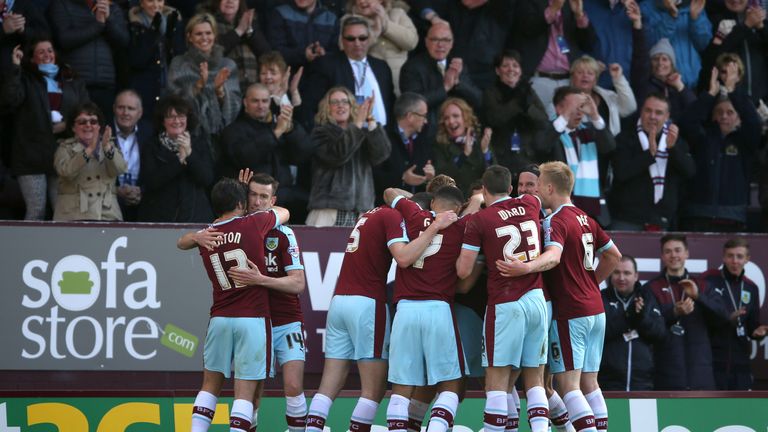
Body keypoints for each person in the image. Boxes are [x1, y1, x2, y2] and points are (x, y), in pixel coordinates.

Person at [304, 196, 456, 432]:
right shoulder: (393, 216)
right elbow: (403, 257)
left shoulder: (369, 214)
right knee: (373, 391)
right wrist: (434, 226)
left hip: (339, 302)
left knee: (329, 384)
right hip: (367, 303)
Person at [497, 160, 621, 432]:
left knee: (568, 386)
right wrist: (591, 283)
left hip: (571, 312)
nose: (535, 190)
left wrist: (526, 267)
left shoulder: (556, 221)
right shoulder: (587, 218)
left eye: (538, 185)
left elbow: (553, 257)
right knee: (590, 384)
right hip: (595, 309)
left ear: (550, 187)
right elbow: (614, 256)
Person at [178, 171, 309, 431]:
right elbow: (282, 211)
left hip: (274, 318)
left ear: (272, 199)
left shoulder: (212, 232)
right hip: (254, 319)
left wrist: (260, 279)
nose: (258, 202)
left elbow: (298, 284)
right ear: (243, 200)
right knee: (249, 394)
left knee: (214, 386)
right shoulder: (251, 225)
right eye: (252, 195)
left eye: (264, 197)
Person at [456, 165, 550, 432]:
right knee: (535, 379)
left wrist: (475, 203)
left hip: (505, 302)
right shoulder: (531, 204)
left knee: (496, 380)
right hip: (536, 298)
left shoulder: (480, 220)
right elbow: (532, 197)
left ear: (484, 190)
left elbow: (463, 271)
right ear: (511, 189)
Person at [383, 185, 469, 432]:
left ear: (432, 203)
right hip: (438, 308)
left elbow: (389, 193)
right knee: (451, 386)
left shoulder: (413, 214)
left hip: (405, 309)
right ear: (457, 209)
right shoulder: (461, 226)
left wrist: (419, 208)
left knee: (401, 387)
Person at [0, 40, 89, 220]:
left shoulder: (70, 78)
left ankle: (61, 249)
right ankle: (28, 249)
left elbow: (85, 109)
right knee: (36, 210)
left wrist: (67, 125)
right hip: (30, 154)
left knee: (61, 212)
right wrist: (15, 68)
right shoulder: (25, 78)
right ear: (32, 59)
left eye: (50, 50)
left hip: (63, 154)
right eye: (41, 52)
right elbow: (9, 100)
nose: (47, 54)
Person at [679, 66, 761, 232]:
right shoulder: (702, 139)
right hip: (697, 215)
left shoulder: (745, 142)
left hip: (733, 218)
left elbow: (754, 123)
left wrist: (733, 91)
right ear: (713, 115)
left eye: (730, 112)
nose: (724, 116)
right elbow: (686, 122)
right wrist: (709, 95)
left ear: (739, 118)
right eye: (719, 112)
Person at [642, 234, 727, 390]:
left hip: (701, 375)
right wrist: (673, 313)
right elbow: (648, 327)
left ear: (687, 253)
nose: (673, 255)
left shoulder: (702, 286)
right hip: (667, 375)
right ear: (662, 256)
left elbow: (723, 317)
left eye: (678, 250)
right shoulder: (651, 288)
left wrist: (698, 297)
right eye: (668, 251)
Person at [219, 83, 312, 220]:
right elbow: (244, 157)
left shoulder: (280, 125)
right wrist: (276, 133)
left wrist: (291, 128)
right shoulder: (234, 130)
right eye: (255, 101)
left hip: (284, 199)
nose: (261, 105)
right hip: (251, 202)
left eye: (265, 101)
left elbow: (304, 154)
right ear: (245, 102)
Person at [608, 93, 696, 231]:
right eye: (648, 110)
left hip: (662, 218)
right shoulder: (625, 138)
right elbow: (621, 172)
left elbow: (689, 172)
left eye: (659, 112)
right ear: (641, 111)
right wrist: (649, 154)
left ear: (667, 117)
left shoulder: (675, 140)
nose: (652, 116)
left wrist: (673, 149)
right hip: (627, 218)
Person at [305, 86, 391, 227]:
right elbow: (337, 155)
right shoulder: (320, 133)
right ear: (327, 108)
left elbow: (381, 155)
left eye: (345, 102)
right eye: (335, 102)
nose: (341, 106)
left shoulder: (361, 132)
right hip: (329, 209)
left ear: (352, 106)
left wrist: (370, 119)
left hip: (361, 210)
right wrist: (357, 124)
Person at [536, 86, 615, 223]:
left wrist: (595, 115)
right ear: (559, 108)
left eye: (582, 107)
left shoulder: (590, 130)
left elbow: (609, 147)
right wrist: (565, 116)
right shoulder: (548, 129)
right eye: (574, 107)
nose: (579, 113)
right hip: (559, 209)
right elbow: (542, 146)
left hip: (593, 211)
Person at [168, 13, 241, 159]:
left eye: (208, 33)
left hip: (223, 139)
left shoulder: (228, 65)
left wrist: (219, 91)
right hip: (189, 137)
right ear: (189, 37)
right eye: (198, 34)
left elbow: (235, 107)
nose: (204, 38)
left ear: (215, 35)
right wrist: (198, 86)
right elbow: (173, 103)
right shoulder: (179, 63)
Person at [511, 0, 597, 119]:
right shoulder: (530, 2)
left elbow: (589, 44)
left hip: (569, 80)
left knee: (573, 127)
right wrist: (553, 9)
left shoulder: (570, 4)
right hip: (540, 79)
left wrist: (579, 15)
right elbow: (528, 29)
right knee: (541, 127)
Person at [303, 15, 394, 127]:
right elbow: (311, 106)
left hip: (381, 135)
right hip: (344, 138)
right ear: (342, 40)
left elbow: (390, 103)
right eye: (351, 39)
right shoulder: (326, 65)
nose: (357, 43)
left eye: (362, 38)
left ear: (369, 39)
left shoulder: (381, 67)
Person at [137, 94, 215, 222]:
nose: (177, 121)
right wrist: (179, 161)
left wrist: (189, 154)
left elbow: (207, 178)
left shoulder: (199, 143)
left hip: (195, 216)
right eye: (171, 116)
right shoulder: (152, 146)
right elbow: (152, 181)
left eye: (181, 116)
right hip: (160, 217)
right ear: (163, 121)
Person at [704, 238, 768, 390]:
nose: (734, 261)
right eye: (730, 256)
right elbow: (702, 318)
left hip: (741, 364)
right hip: (713, 361)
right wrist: (727, 318)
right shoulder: (710, 281)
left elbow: (752, 324)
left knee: (740, 411)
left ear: (747, 259)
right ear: (723, 258)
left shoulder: (752, 288)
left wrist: (758, 332)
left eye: (739, 256)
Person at [48, 0, 129, 119]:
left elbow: (124, 41)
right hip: (74, 85)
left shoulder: (112, 8)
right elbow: (64, 39)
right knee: (76, 130)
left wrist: (109, 19)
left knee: (103, 132)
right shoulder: (62, 4)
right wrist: (98, 25)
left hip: (106, 84)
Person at [599, 255, 666, 391]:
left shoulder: (647, 297)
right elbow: (599, 333)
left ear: (636, 276)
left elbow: (660, 333)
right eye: (617, 272)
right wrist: (628, 316)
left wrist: (641, 318)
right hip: (608, 383)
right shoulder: (601, 298)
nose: (621, 278)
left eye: (627, 273)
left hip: (643, 382)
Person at [53, 102, 126, 221]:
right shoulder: (64, 148)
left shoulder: (110, 146)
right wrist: (89, 150)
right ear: (73, 127)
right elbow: (66, 172)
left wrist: (107, 147)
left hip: (107, 215)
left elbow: (120, 169)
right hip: (74, 216)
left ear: (99, 126)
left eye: (93, 121)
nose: (88, 125)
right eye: (82, 122)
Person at [399, 22, 482, 128]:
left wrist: (458, 83)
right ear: (426, 42)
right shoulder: (411, 67)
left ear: (452, 43)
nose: (441, 45)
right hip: (427, 131)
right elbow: (412, 105)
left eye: (446, 40)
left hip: (457, 129)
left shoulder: (456, 65)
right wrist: (445, 87)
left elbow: (478, 99)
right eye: (435, 39)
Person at [483, 50, 548, 178]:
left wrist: (528, 107)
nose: (510, 69)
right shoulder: (490, 93)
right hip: (501, 156)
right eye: (505, 65)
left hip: (527, 156)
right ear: (497, 70)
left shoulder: (528, 92)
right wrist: (517, 103)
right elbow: (495, 118)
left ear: (520, 70)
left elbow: (543, 121)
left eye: (515, 65)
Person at [126, 0, 185, 118]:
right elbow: (137, 60)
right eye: (150, 1)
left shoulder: (174, 21)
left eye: (159, 0)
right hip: (144, 88)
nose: (156, 5)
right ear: (141, 3)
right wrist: (152, 33)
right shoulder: (133, 25)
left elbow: (179, 55)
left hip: (169, 86)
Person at [373, 92, 434, 204]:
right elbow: (373, 175)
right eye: (423, 116)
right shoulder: (382, 138)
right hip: (386, 210)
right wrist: (402, 178)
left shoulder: (423, 140)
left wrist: (430, 178)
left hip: (415, 212)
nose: (426, 121)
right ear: (410, 116)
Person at [348, 0, 417, 94]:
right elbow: (346, 50)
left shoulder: (398, 13)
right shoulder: (350, 20)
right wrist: (374, 34)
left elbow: (411, 42)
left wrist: (386, 26)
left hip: (400, 81)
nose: (362, 1)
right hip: (368, 83)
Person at [640, 0, 711, 87]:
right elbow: (652, 44)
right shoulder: (647, 7)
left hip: (694, 82)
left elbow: (703, 44)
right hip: (662, 84)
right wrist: (670, 16)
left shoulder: (692, 4)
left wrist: (696, 19)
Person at [201, 0, 271, 89]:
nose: (230, 1)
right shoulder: (208, 23)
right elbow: (212, 51)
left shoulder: (248, 21)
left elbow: (267, 54)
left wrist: (249, 31)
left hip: (252, 86)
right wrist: (239, 31)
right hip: (224, 87)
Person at [433, 97, 493, 196]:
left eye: (455, 116)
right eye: (446, 118)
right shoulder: (440, 145)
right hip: (456, 200)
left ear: (466, 118)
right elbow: (441, 176)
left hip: (482, 197)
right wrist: (464, 155)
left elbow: (493, 173)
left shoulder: (480, 141)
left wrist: (485, 151)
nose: (451, 121)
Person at [568, 55, 636, 137]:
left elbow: (629, 108)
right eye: (580, 72)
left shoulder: (608, 96)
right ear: (572, 77)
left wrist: (618, 79)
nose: (585, 75)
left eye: (590, 73)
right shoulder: (563, 100)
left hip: (612, 146)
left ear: (595, 80)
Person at [112, 90, 152, 222]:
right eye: (121, 107)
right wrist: (116, 190)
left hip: (143, 203)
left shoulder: (150, 134)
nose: (125, 113)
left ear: (140, 113)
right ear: (114, 109)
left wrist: (142, 191)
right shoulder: (102, 133)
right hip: (110, 204)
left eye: (131, 108)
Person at [266, 0, 339, 71]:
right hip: (289, 73)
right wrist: (303, 54)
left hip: (322, 76)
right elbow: (275, 51)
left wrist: (324, 54)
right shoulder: (280, 13)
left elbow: (336, 53)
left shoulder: (331, 18)